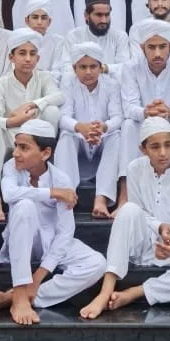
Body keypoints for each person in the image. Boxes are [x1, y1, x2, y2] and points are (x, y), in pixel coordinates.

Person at [80, 117, 170, 319]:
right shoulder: (134, 169)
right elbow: (140, 212)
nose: (163, 153)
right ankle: (105, 291)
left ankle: (137, 292)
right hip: (145, 241)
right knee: (128, 209)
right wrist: (159, 227)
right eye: (155, 147)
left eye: (168, 145)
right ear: (143, 149)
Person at [0, 119, 106, 326]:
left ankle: (21, 297)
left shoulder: (61, 179)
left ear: (45, 153)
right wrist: (52, 193)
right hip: (21, 240)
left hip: (50, 243)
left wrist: (39, 276)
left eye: (24, 148)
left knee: (97, 264)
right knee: (24, 206)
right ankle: (21, 294)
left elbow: (66, 232)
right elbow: (9, 194)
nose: (15, 153)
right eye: (16, 146)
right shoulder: (11, 168)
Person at [0, 28, 64, 222]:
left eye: (32, 54)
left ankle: (44, 168)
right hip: (10, 136)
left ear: (38, 58)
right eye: (22, 53)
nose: (27, 59)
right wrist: (14, 121)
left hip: (36, 140)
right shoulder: (0, 83)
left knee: (52, 110)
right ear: (11, 57)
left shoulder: (44, 78)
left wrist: (35, 104)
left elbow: (59, 96)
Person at [54, 42, 123, 219]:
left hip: (103, 138)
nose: (88, 72)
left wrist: (103, 127)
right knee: (66, 136)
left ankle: (101, 199)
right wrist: (80, 128)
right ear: (74, 68)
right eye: (82, 67)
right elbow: (63, 117)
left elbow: (117, 117)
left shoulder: (112, 84)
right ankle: (67, 193)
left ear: (101, 67)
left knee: (116, 136)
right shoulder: (68, 83)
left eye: (93, 66)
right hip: (78, 139)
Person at [120, 19, 170, 176]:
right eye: (151, 47)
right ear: (142, 48)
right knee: (128, 125)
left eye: (162, 47)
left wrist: (169, 111)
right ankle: (125, 186)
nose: (157, 54)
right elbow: (129, 107)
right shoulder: (131, 68)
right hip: (143, 123)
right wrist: (145, 113)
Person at [64, 0, 131, 78]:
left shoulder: (120, 36)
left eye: (107, 15)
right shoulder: (73, 36)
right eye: (99, 15)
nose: (104, 20)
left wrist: (104, 68)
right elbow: (66, 68)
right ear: (86, 15)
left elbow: (125, 67)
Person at [23, 0, 70, 86]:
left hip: (51, 88)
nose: (39, 22)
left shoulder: (58, 41)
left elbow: (58, 73)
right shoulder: (18, 40)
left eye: (44, 18)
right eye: (35, 17)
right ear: (27, 20)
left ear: (49, 21)